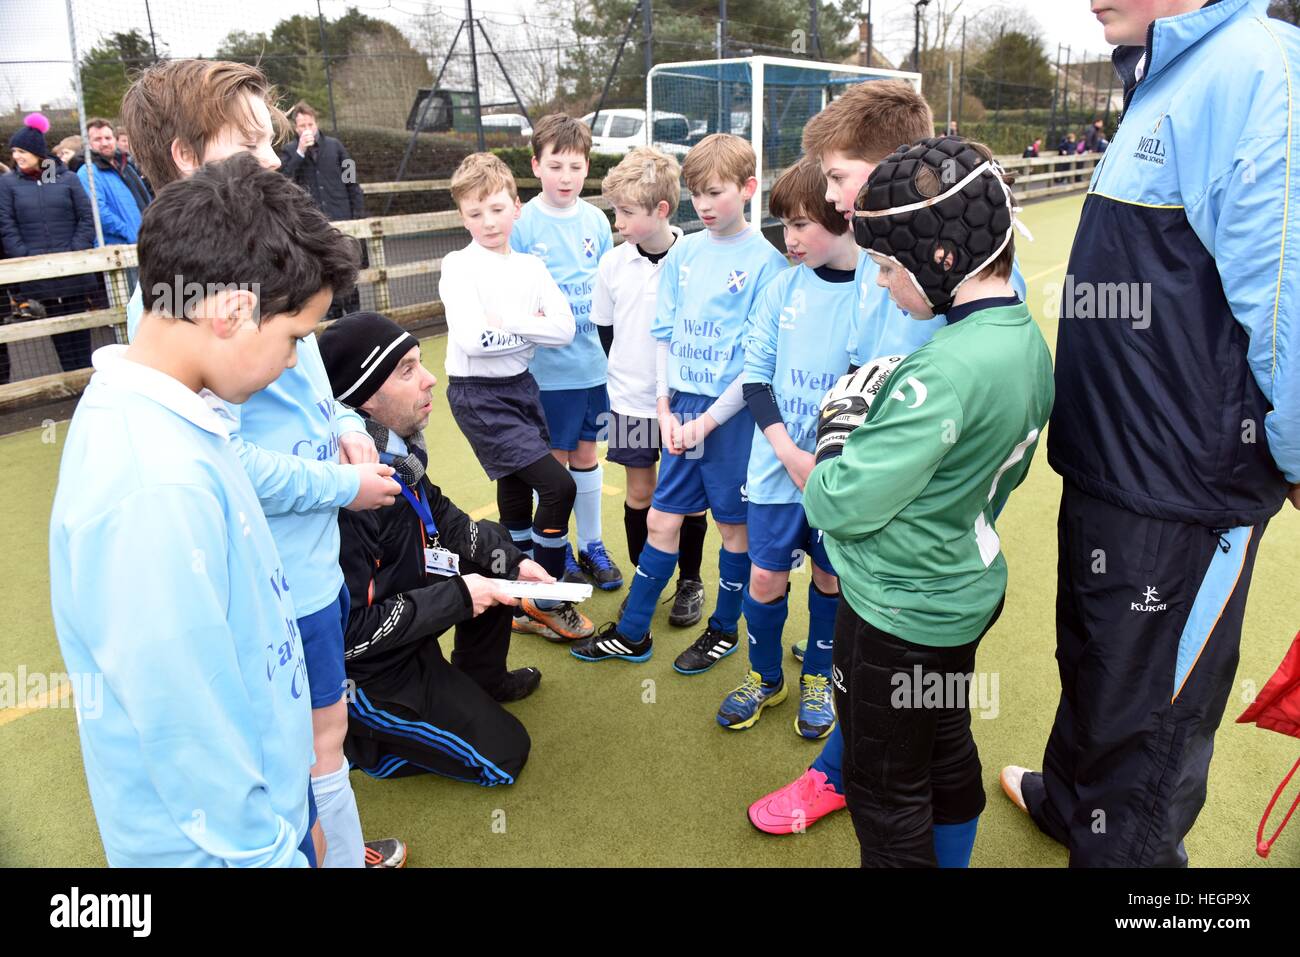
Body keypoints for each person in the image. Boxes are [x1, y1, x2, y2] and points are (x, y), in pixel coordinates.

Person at [1003, 0, 1300, 868]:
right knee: (1093, 658)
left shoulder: (1260, 68)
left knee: (1146, 725)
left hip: (1184, 492)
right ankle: (1070, 801)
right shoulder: (1164, 68)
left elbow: (1285, 297)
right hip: (1109, 462)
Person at [120, 58, 407, 869]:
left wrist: (347, 423)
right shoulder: (184, 297)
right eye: (251, 142)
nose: (277, 158)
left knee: (321, 737)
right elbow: (220, 457)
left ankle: (342, 849)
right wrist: (341, 485)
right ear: (185, 155)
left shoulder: (258, 256)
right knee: (301, 748)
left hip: (307, 564)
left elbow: (304, 380)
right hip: (272, 575)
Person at [48, 155, 358, 866]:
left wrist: (295, 804)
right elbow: (187, 731)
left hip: (265, 814)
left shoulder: (186, 418)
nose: (293, 360)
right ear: (231, 314)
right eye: (294, 339)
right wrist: (271, 849)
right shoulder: (154, 484)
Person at [805, 135, 1054, 867]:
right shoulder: (1025, 342)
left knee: (885, 793)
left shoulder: (938, 371)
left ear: (940, 257)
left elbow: (837, 504)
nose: (882, 282)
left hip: (897, 607)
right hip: (960, 589)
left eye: (887, 264)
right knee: (944, 745)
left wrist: (836, 432)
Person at [568, 133, 787, 666]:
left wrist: (707, 421)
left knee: (732, 528)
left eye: (715, 192)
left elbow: (757, 367)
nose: (706, 205)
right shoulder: (684, 253)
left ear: (748, 188)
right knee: (661, 518)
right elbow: (664, 334)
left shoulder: (768, 265)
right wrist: (665, 405)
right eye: (697, 194)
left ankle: (722, 629)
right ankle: (635, 631)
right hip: (675, 407)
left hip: (731, 419)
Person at [321, 312, 550, 789]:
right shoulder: (351, 496)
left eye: (420, 363)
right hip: (369, 668)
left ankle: (480, 681)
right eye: (406, 371)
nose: (430, 380)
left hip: (406, 620)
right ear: (362, 397)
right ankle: (366, 744)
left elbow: (442, 516)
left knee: (494, 551)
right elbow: (347, 637)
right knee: (505, 755)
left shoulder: (395, 453)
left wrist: (513, 564)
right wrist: (463, 596)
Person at [438, 151, 595, 642]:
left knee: (516, 489)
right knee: (559, 486)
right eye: (475, 213)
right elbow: (470, 341)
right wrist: (532, 332)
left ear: (517, 208)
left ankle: (517, 591)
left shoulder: (529, 266)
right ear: (462, 216)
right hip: (477, 395)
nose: (488, 222)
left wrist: (512, 327)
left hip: (522, 387)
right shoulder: (459, 265)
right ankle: (548, 599)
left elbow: (566, 328)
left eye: (498, 209)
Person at [730, 158, 854, 738]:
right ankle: (764, 677)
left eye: (803, 223)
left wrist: (824, 463)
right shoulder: (781, 287)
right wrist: (788, 452)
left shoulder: (877, 291)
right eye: (785, 223)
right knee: (764, 578)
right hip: (779, 467)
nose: (791, 238)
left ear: (843, 216)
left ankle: (818, 678)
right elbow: (756, 379)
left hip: (840, 474)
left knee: (830, 579)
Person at [594, 146, 710, 629]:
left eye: (626, 212)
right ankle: (647, 581)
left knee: (688, 498)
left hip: (685, 404)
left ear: (661, 210)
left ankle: (690, 580)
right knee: (640, 493)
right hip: (630, 404)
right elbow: (606, 331)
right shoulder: (613, 265)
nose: (617, 221)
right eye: (615, 210)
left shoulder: (696, 258)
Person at [509, 114, 623, 592]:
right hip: (547, 373)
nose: (566, 177)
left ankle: (592, 543)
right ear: (536, 166)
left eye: (575, 167)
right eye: (555, 166)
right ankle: (555, 547)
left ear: (586, 167)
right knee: (553, 464)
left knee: (586, 453)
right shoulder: (523, 223)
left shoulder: (597, 220)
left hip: (591, 366)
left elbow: (608, 288)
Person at [0, 112, 97, 376]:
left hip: (72, 269)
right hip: (38, 272)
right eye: (14, 151)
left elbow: (86, 217)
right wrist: (26, 256)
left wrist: (74, 251)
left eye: (22, 151)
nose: (17, 156)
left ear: (37, 152)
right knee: (58, 336)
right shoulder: (8, 184)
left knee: (81, 332)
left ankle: (87, 381)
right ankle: (71, 381)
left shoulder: (65, 178)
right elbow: (7, 225)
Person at [280, 102, 366, 317]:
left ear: (316, 123)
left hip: (342, 218)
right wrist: (300, 152)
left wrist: (357, 216)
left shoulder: (336, 147)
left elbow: (352, 180)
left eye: (310, 123)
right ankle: (333, 319)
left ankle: (356, 317)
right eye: (301, 126)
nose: (307, 129)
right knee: (324, 275)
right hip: (313, 226)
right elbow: (283, 180)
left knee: (348, 273)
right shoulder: (289, 152)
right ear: (295, 128)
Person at [77, 118, 151, 249]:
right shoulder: (88, 172)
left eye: (108, 137)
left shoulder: (126, 166)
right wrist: (130, 233)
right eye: (97, 139)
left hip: (146, 242)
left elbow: (145, 199)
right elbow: (98, 212)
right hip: (118, 249)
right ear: (88, 143)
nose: (104, 143)